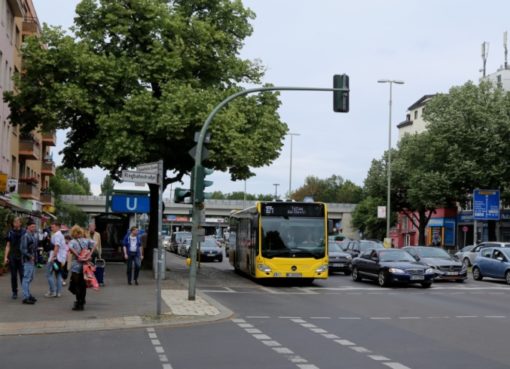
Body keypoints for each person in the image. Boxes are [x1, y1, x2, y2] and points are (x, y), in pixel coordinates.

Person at [68, 225, 96, 311]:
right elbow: (95, 244)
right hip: (85, 265)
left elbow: (70, 247)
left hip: (76, 264)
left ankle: (78, 302)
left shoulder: (72, 241)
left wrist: (78, 255)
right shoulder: (86, 240)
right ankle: (82, 301)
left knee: (76, 284)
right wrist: (89, 255)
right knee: (83, 284)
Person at [4, 217, 25, 299]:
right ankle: (14, 292)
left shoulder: (24, 232)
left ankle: (25, 291)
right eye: (14, 222)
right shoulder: (10, 232)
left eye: (17, 222)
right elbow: (8, 246)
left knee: (22, 275)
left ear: (20, 223)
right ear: (13, 223)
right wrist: (5, 257)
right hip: (12, 256)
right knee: (13, 276)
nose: (16, 223)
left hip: (21, 256)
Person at [45, 221, 67, 297]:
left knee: (48, 274)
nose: (51, 228)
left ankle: (52, 291)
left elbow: (56, 246)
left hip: (55, 258)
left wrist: (53, 257)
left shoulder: (57, 235)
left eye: (53, 227)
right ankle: (58, 292)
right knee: (58, 274)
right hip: (61, 259)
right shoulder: (60, 235)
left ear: (58, 227)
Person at [20, 219, 38, 305]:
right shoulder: (26, 236)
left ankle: (27, 294)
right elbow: (23, 249)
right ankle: (25, 297)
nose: (34, 228)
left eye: (34, 226)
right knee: (26, 278)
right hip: (28, 260)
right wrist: (30, 256)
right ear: (28, 227)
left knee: (30, 278)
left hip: (32, 260)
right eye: (32, 226)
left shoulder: (32, 235)